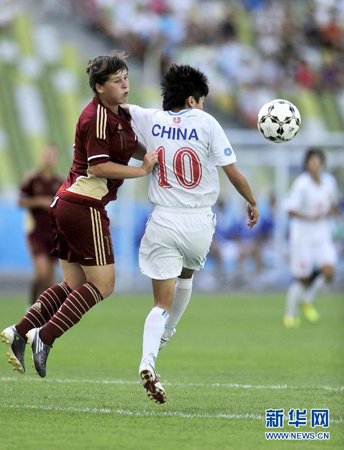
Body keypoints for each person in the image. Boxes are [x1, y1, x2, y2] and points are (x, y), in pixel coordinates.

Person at [0, 52, 158, 377]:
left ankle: (20, 330)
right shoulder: (97, 117)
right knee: (103, 285)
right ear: (99, 87)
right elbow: (98, 165)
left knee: (75, 286)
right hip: (83, 206)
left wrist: (156, 155)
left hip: (68, 204)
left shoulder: (118, 115)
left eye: (126, 78)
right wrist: (143, 170)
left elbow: (130, 145)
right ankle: (43, 337)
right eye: (117, 81)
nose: (126, 85)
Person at [123, 64, 259, 404]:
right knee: (187, 275)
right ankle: (165, 337)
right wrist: (252, 201)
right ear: (191, 99)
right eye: (202, 100)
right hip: (198, 223)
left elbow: (116, 110)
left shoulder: (148, 117)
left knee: (159, 303)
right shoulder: (207, 123)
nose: (204, 106)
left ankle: (149, 358)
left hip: (163, 220)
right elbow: (234, 174)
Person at [283, 148, 338, 328]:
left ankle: (308, 299)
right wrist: (310, 216)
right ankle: (290, 314)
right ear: (306, 164)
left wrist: (332, 212)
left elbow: (332, 204)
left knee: (329, 272)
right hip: (302, 234)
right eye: (310, 161)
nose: (314, 164)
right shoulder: (302, 184)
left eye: (317, 161)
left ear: (322, 163)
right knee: (303, 277)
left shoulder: (329, 182)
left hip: (321, 232)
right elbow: (290, 210)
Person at [18, 144, 63, 307]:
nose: (49, 158)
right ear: (41, 157)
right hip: (35, 232)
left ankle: (42, 311)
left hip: (53, 234)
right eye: (46, 155)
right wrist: (39, 201)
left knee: (50, 279)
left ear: (56, 158)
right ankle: (31, 305)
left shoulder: (60, 182)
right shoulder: (32, 179)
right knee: (42, 272)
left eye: (52, 155)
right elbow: (20, 201)